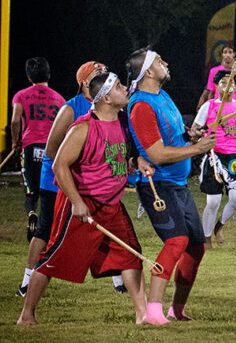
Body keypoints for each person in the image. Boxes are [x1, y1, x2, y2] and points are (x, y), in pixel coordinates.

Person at [17, 72, 148, 326]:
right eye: (120, 87)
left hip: (112, 205)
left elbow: (124, 155)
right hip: (82, 205)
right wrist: (76, 201)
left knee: (132, 255)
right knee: (52, 258)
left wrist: (136, 162)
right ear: (107, 97)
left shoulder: (122, 122)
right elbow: (59, 165)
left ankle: (142, 314)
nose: (125, 90)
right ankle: (26, 315)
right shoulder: (83, 127)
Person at [126, 48, 217, 325]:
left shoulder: (162, 96)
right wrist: (197, 149)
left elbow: (174, 135)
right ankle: (153, 312)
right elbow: (156, 154)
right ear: (149, 72)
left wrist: (192, 135)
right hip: (157, 184)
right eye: (159, 61)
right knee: (176, 241)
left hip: (177, 184)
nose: (166, 63)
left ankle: (176, 310)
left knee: (196, 247)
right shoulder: (141, 105)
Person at [18, 62, 122, 297]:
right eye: (99, 72)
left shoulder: (109, 106)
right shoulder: (71, 108)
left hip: (91, 183)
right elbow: (53, 150)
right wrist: (73, 177)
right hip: (57, 181)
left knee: (107, 227)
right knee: (45, 232)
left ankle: (120, 281)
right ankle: (26, 283)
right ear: (85, 82)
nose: (105, 74)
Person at [193, 70, 236, 248]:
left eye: (232, 82)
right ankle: (206, 238)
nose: (228, 86)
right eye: (223, 82)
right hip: (215, 156)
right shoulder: (209, 106)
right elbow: (194, 130)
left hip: (235, 156)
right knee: (213, 201)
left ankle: (219, 226)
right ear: (216, 86)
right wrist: (201, 134)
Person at [10, 57, 66, 240]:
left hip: (30, 146)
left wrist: (15, 141)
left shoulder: (21, 95)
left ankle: (32, 213)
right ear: (49, 75)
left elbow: (15, 120)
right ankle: (47, 225)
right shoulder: (59, 98)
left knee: (30, 190)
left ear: (28, 77)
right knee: (49, 190)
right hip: (52, 149)